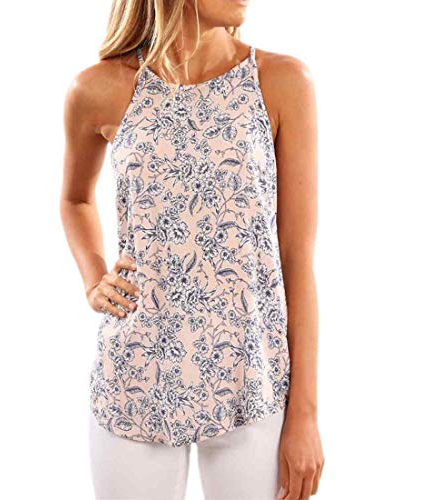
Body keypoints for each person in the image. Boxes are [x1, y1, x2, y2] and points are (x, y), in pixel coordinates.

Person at [60, 0, 324, 498]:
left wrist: (305, 415)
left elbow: (297, 259)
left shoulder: (281, 82)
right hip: (136, 378)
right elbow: (75, 199)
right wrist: (94, 278)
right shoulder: (98, 90)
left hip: (251, 380)